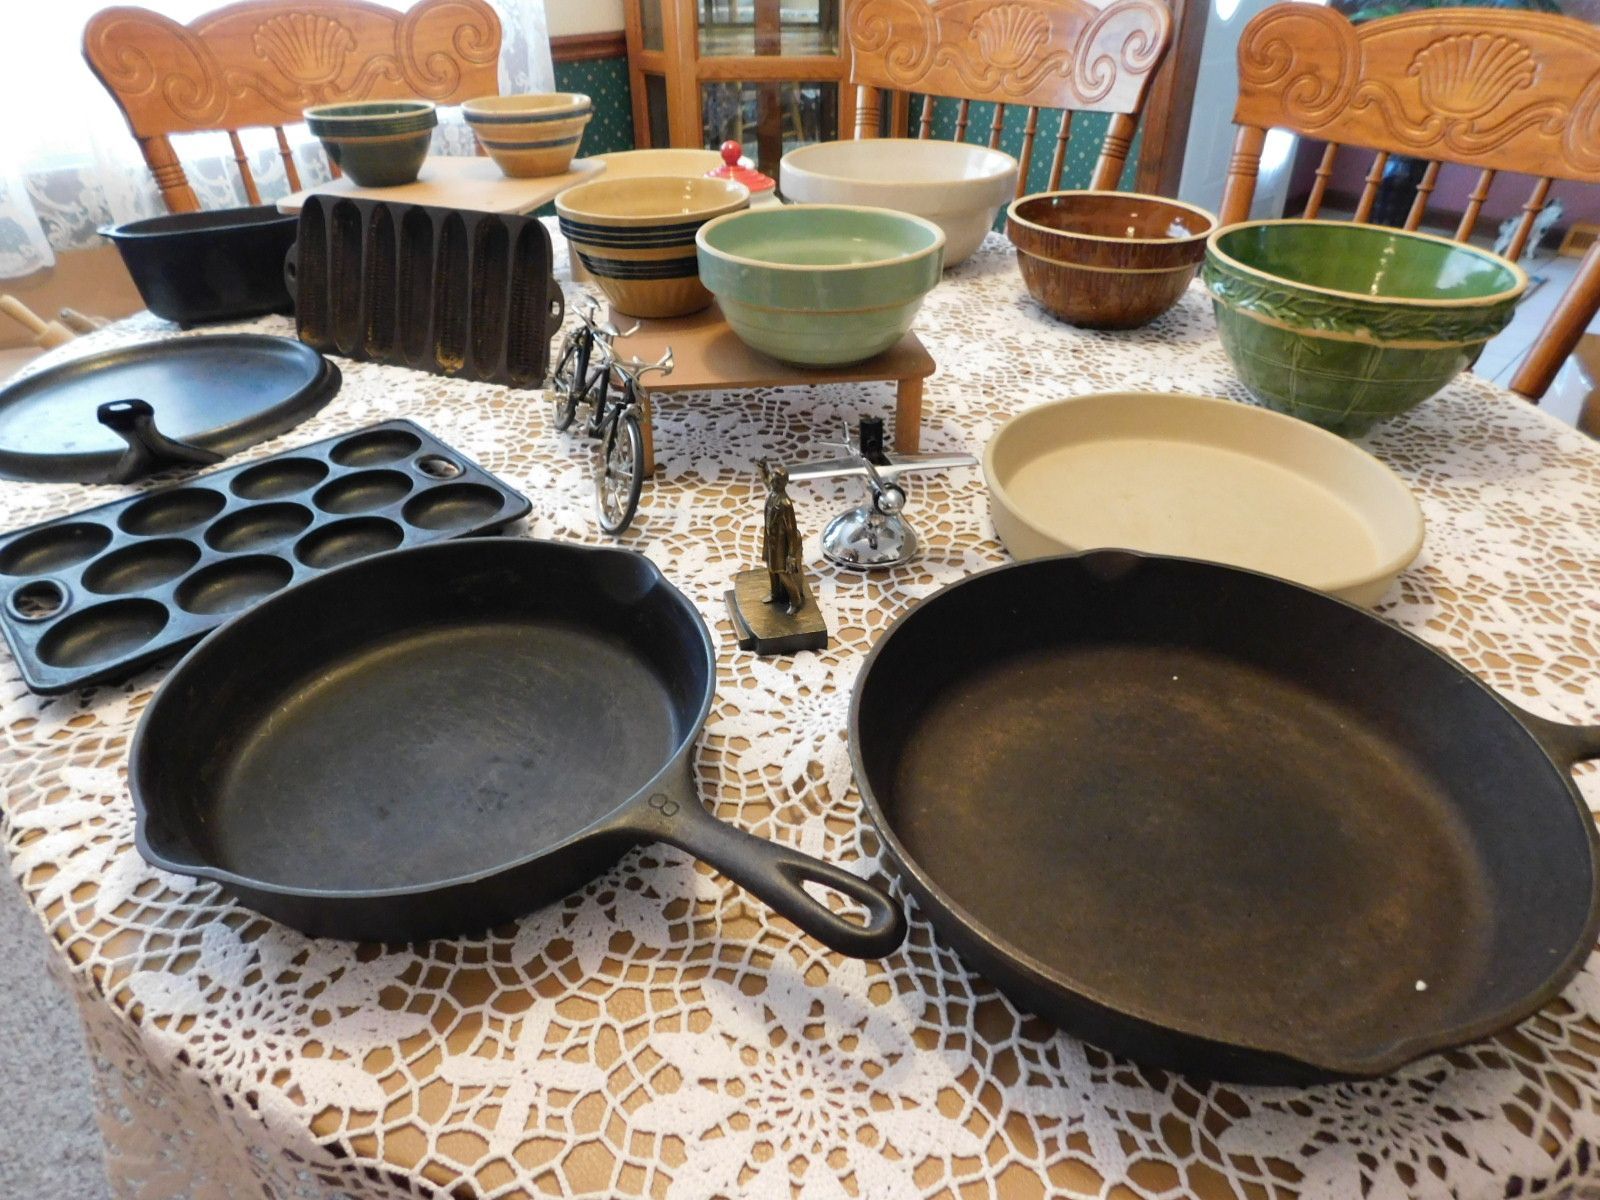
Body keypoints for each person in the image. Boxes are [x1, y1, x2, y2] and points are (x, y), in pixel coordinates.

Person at [759, 458, 806, 615]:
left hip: (781, 546)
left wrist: (791, 555)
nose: (773, 483)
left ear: (783, 483)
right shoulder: (772, 494)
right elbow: (765, 479)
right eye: (773, 480)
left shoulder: (785, 504)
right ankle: (775, 594)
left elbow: (791, 530)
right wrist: (762, 467)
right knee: (771, 569)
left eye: (777, 481)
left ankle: (795, 601)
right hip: (770, 542)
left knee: (782, 573)